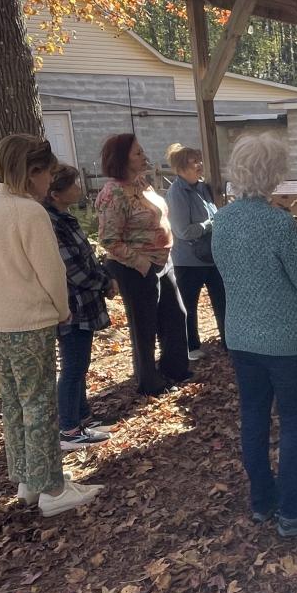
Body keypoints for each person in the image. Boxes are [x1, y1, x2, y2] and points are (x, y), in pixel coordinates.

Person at [0, 135, 102, 517]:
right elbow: (52, 273)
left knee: (14, 403)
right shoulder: (28, 211)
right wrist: (62, 311)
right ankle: (53, 491)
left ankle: (29, 479)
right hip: (25, 322)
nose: (50, 182)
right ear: (32, 172)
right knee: (39, 405)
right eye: (48, 174)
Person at [211, 134, 297, 537]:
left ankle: (263, 500)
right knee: (294, 422)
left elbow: (228, 275)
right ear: (273, 173)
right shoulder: (279, 223)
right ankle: (294, 511)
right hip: (285, 340)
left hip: (241, 335)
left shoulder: (222, 220)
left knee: (253, 416)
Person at [95, 133, 191, 396]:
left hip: (163, 261)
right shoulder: (113, 193)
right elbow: (109, 239)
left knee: (176, 315)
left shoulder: (141, 183)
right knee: (144, 326)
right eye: (137, 153)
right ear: (121, 159)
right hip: (135, 267)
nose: (144, 155)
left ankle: (175, 369)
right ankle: (149, 382)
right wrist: (142, 264)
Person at [43, 164, 115, 451]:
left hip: (85, 302)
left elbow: (86, 257)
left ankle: (83, 416)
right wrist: (104, 283)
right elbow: (73, 271)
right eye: (73, 185)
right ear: (56, 193)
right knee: (73, 366)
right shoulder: (52, 223)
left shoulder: (65, 217)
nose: (79, 188)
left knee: (80, 364)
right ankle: (69, 429)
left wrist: (104, 278)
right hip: (71, 305)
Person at [164, 143, 227, 362]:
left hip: (212, 256)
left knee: (223, 300)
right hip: (188, 260)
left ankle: (229, 341)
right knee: (188, 306)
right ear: (181, 168)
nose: (199, 165)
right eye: (193, 162)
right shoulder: (177, 193)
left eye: (199, 160)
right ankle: (191, 347)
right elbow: (183, 231)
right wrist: (212, 223)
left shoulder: (203, 187)